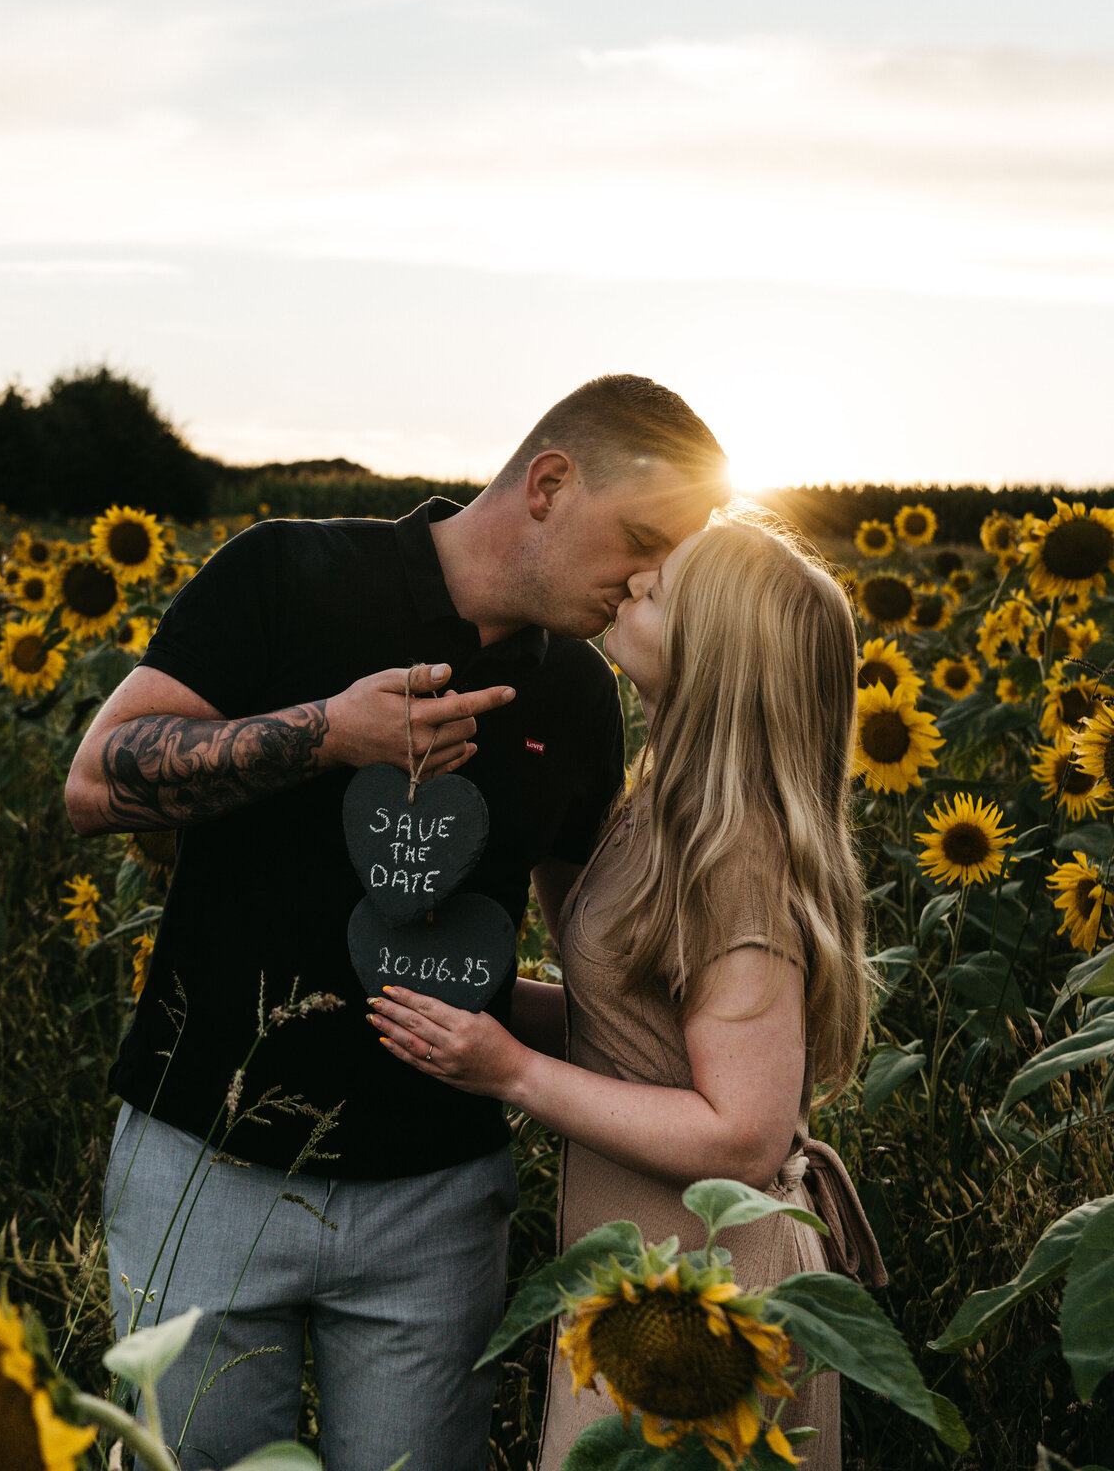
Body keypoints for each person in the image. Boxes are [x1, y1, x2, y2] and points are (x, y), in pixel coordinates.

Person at [65, 373, 728, 1471]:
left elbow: (597, 968)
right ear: (550, 485)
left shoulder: (575, 696)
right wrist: (328, 732)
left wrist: (731, 1060)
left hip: (439, 1200)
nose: (648, 580)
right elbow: (96, 783)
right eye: (644, 538)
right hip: (206, 1166)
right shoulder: (288, 572)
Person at [371, 515, 886, 1471]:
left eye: (662, 587)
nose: (634, 578)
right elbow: (640, 1034)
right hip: (643, 1282)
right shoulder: (667, 806)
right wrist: (482, 1000)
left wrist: (511, 1072)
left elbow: (743, 1131)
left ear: (719, 656)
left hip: (707, 1304)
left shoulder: (738, 854)